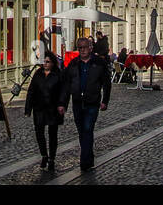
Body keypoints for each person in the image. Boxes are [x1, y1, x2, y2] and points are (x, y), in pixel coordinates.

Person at [58, 35, 111, 171]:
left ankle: (84, 160)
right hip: (77, 102)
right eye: (79, 47)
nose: (82, 50)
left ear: (90, 48)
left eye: (84, 47)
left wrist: (105, 100)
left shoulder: (99, 63)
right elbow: (66, 85)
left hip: (92, 102)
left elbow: (106, 83)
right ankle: (89, 156)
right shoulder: (74, 64)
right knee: (82, 131)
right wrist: (62, 103)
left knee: (88, 128)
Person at [25, 54, 63, 170]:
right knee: (39, 133)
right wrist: (28, 109)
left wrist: (62, 104)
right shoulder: (38, 74)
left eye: (47, 62)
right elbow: (31, 91)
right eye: (44, 61)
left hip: (53, 108)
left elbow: (63, 91)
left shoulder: (58, 74)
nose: (45, 64)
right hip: (39, 108)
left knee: (52, 134)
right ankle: (44, 155)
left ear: (52, 63)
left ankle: (52, 158)